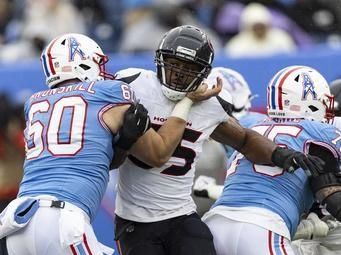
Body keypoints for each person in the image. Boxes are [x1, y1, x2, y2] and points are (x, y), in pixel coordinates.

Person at [0, 33, 220, 255]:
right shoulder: (110, 92)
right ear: (83, 64)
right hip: (62, 218)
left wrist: (124, 143)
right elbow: (159, 153)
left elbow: (94, 159)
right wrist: (188, 100)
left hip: (17, 219)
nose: (102, 70)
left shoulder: (35, 102)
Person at [113, 25, 324, 255]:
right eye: (174, 64)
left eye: (189, 68)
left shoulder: (210, 105)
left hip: (180, 215)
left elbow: (244, 140)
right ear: (160, 60)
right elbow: (145, 155)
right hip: (135, 219)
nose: (179, 74)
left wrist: (280, 154)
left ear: (204, 73)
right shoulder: (132, 86)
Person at [202, 65, 341, 255]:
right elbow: (330, 195)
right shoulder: (322, 132)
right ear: (310, 103)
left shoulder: (255, 129)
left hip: (215, 222)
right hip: (263, 227)